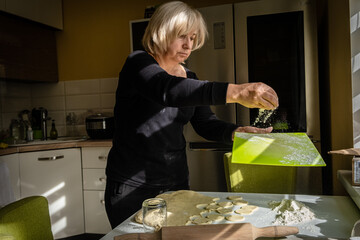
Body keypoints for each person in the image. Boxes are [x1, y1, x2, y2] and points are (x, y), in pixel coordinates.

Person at [105, 1, 278, 228]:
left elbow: (205, 123)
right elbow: (167, 90)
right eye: (181, 36)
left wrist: (236, 132)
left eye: (193, 38)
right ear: (161, 32)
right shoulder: (138, 64)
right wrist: (236, 91)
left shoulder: (190, 76)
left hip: (176, 183)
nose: (188, 44)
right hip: (133, 188)